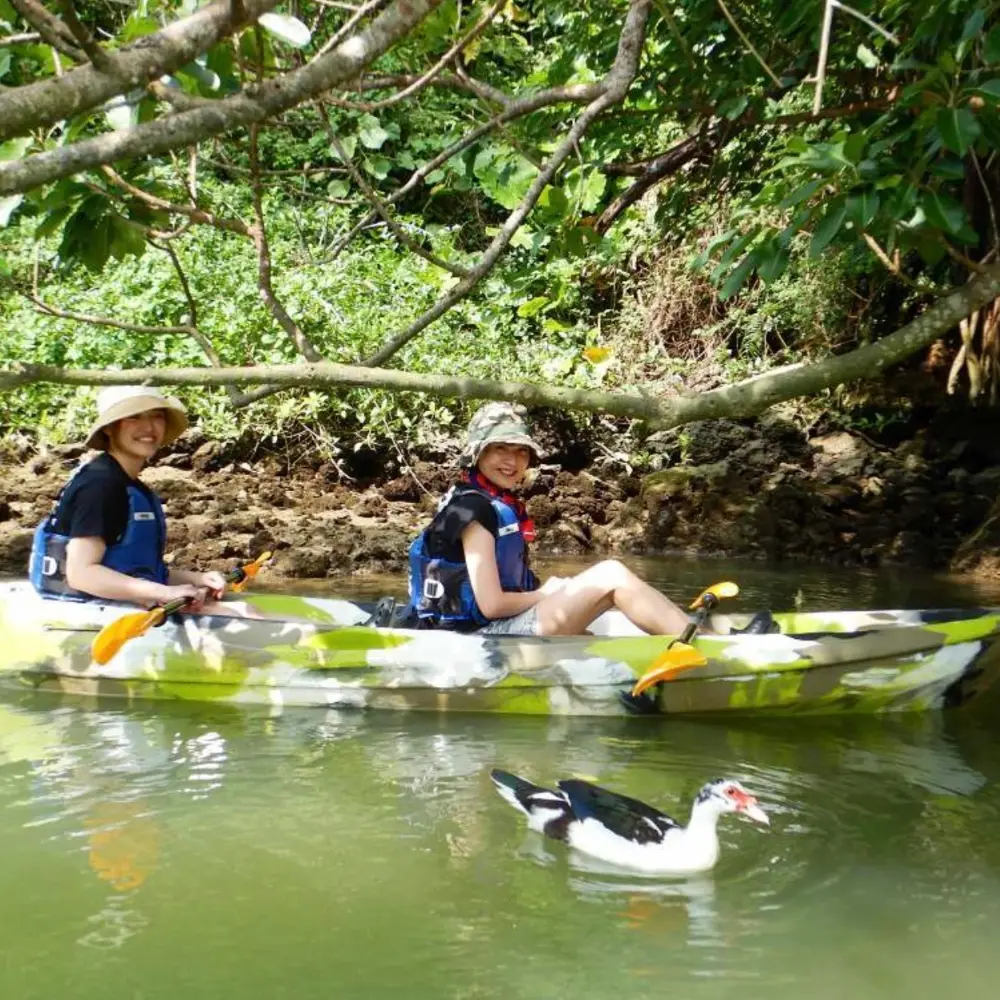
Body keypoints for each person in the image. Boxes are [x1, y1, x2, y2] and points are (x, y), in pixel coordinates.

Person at [407, 402, 698, 637]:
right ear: (478, 453)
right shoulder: (475, 510)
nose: (512, 461)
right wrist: (547, 593)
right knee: (612, 574)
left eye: (521, 451)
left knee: (591, 624)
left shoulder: (475, 498)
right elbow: (492, 605)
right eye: (500, 448)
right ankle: (708, 646)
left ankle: (695, 635)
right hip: (479, 636)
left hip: (482, 627)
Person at [29, 385, 241, 615]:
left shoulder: (126, 483)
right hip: (82, 611)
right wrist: (163, 593)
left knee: (244, 609)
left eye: (157, 417)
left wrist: (197, 579)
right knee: (246, 613)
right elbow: (81, 574)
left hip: (109, 603)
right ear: (109, 428)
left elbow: (134, 569)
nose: (149, 427)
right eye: (134, 417)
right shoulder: (100, 485)